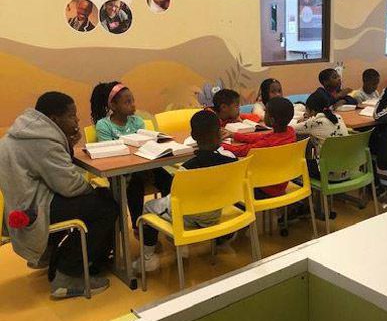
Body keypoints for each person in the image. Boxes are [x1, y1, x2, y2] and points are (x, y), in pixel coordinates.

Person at [0, 92, 118, 298]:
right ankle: (67, 276)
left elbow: (57, 173)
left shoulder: (27, 131)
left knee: (99, 199)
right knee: (105, 206)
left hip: (26, 204)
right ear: (54, 119)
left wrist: (67, 145)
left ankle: (67, 256)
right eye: (72, 116)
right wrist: (93, 190)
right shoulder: (42, 141)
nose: (77, 120)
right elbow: (70, 185)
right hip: (36, 210)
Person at [133, 110, 237, 272]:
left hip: (190, 218)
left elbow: (177, 197)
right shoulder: (231, 158)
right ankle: (179, 244)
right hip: (216, 213)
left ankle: (147, 258)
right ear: (220, 132)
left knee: (148, 207)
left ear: (193, 136)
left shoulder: (186, 169)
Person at [90, 82, 172, 232]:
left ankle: (169, 215)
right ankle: (138, 225)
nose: (133, 105)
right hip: (120, 173)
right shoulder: (104, 125)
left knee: (168, 179)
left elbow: (145, 145)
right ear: (113, 106)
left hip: (144, 166)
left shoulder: (137, 121)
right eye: (127, 102)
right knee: (135, 185)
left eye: (133, 100)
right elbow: (110, 153)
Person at [222, 97, 296, 197]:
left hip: (263, 186)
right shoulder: (290, 132)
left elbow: (241, 151)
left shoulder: (267, 143)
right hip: (281, 182)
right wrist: (234, 135)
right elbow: (262, 137)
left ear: (272, 120)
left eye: (266, 112)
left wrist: (219, 144)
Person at [293, 91, 349, 179]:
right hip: (346, 171)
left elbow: (292, 129)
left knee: (296, 163)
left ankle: (304, 190)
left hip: (328, 174)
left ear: (312, 111)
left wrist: (304, 120)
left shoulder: (314, 122)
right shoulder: (338, 117)